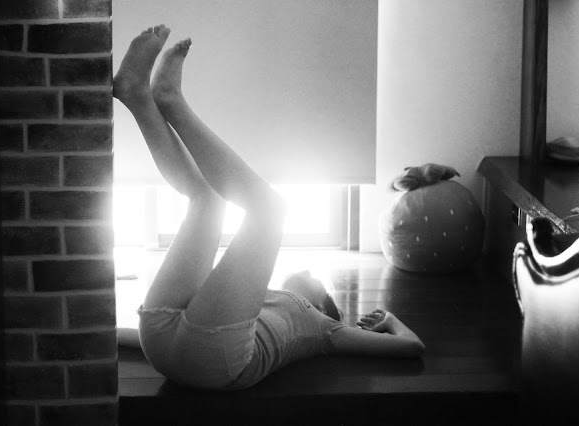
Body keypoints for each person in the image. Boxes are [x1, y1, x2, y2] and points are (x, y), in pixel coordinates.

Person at [114, 25, 425, 391]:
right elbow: (176, 332)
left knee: (271, 210)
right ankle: (137, 95)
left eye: (316, 280)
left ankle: (170, 101)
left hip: (216, 360)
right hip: (161, 340)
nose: (307, 270)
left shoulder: (326, 328)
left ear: (321, 302)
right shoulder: (249, 304)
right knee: (206, 201)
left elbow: (411, 348)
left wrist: (389, 319)